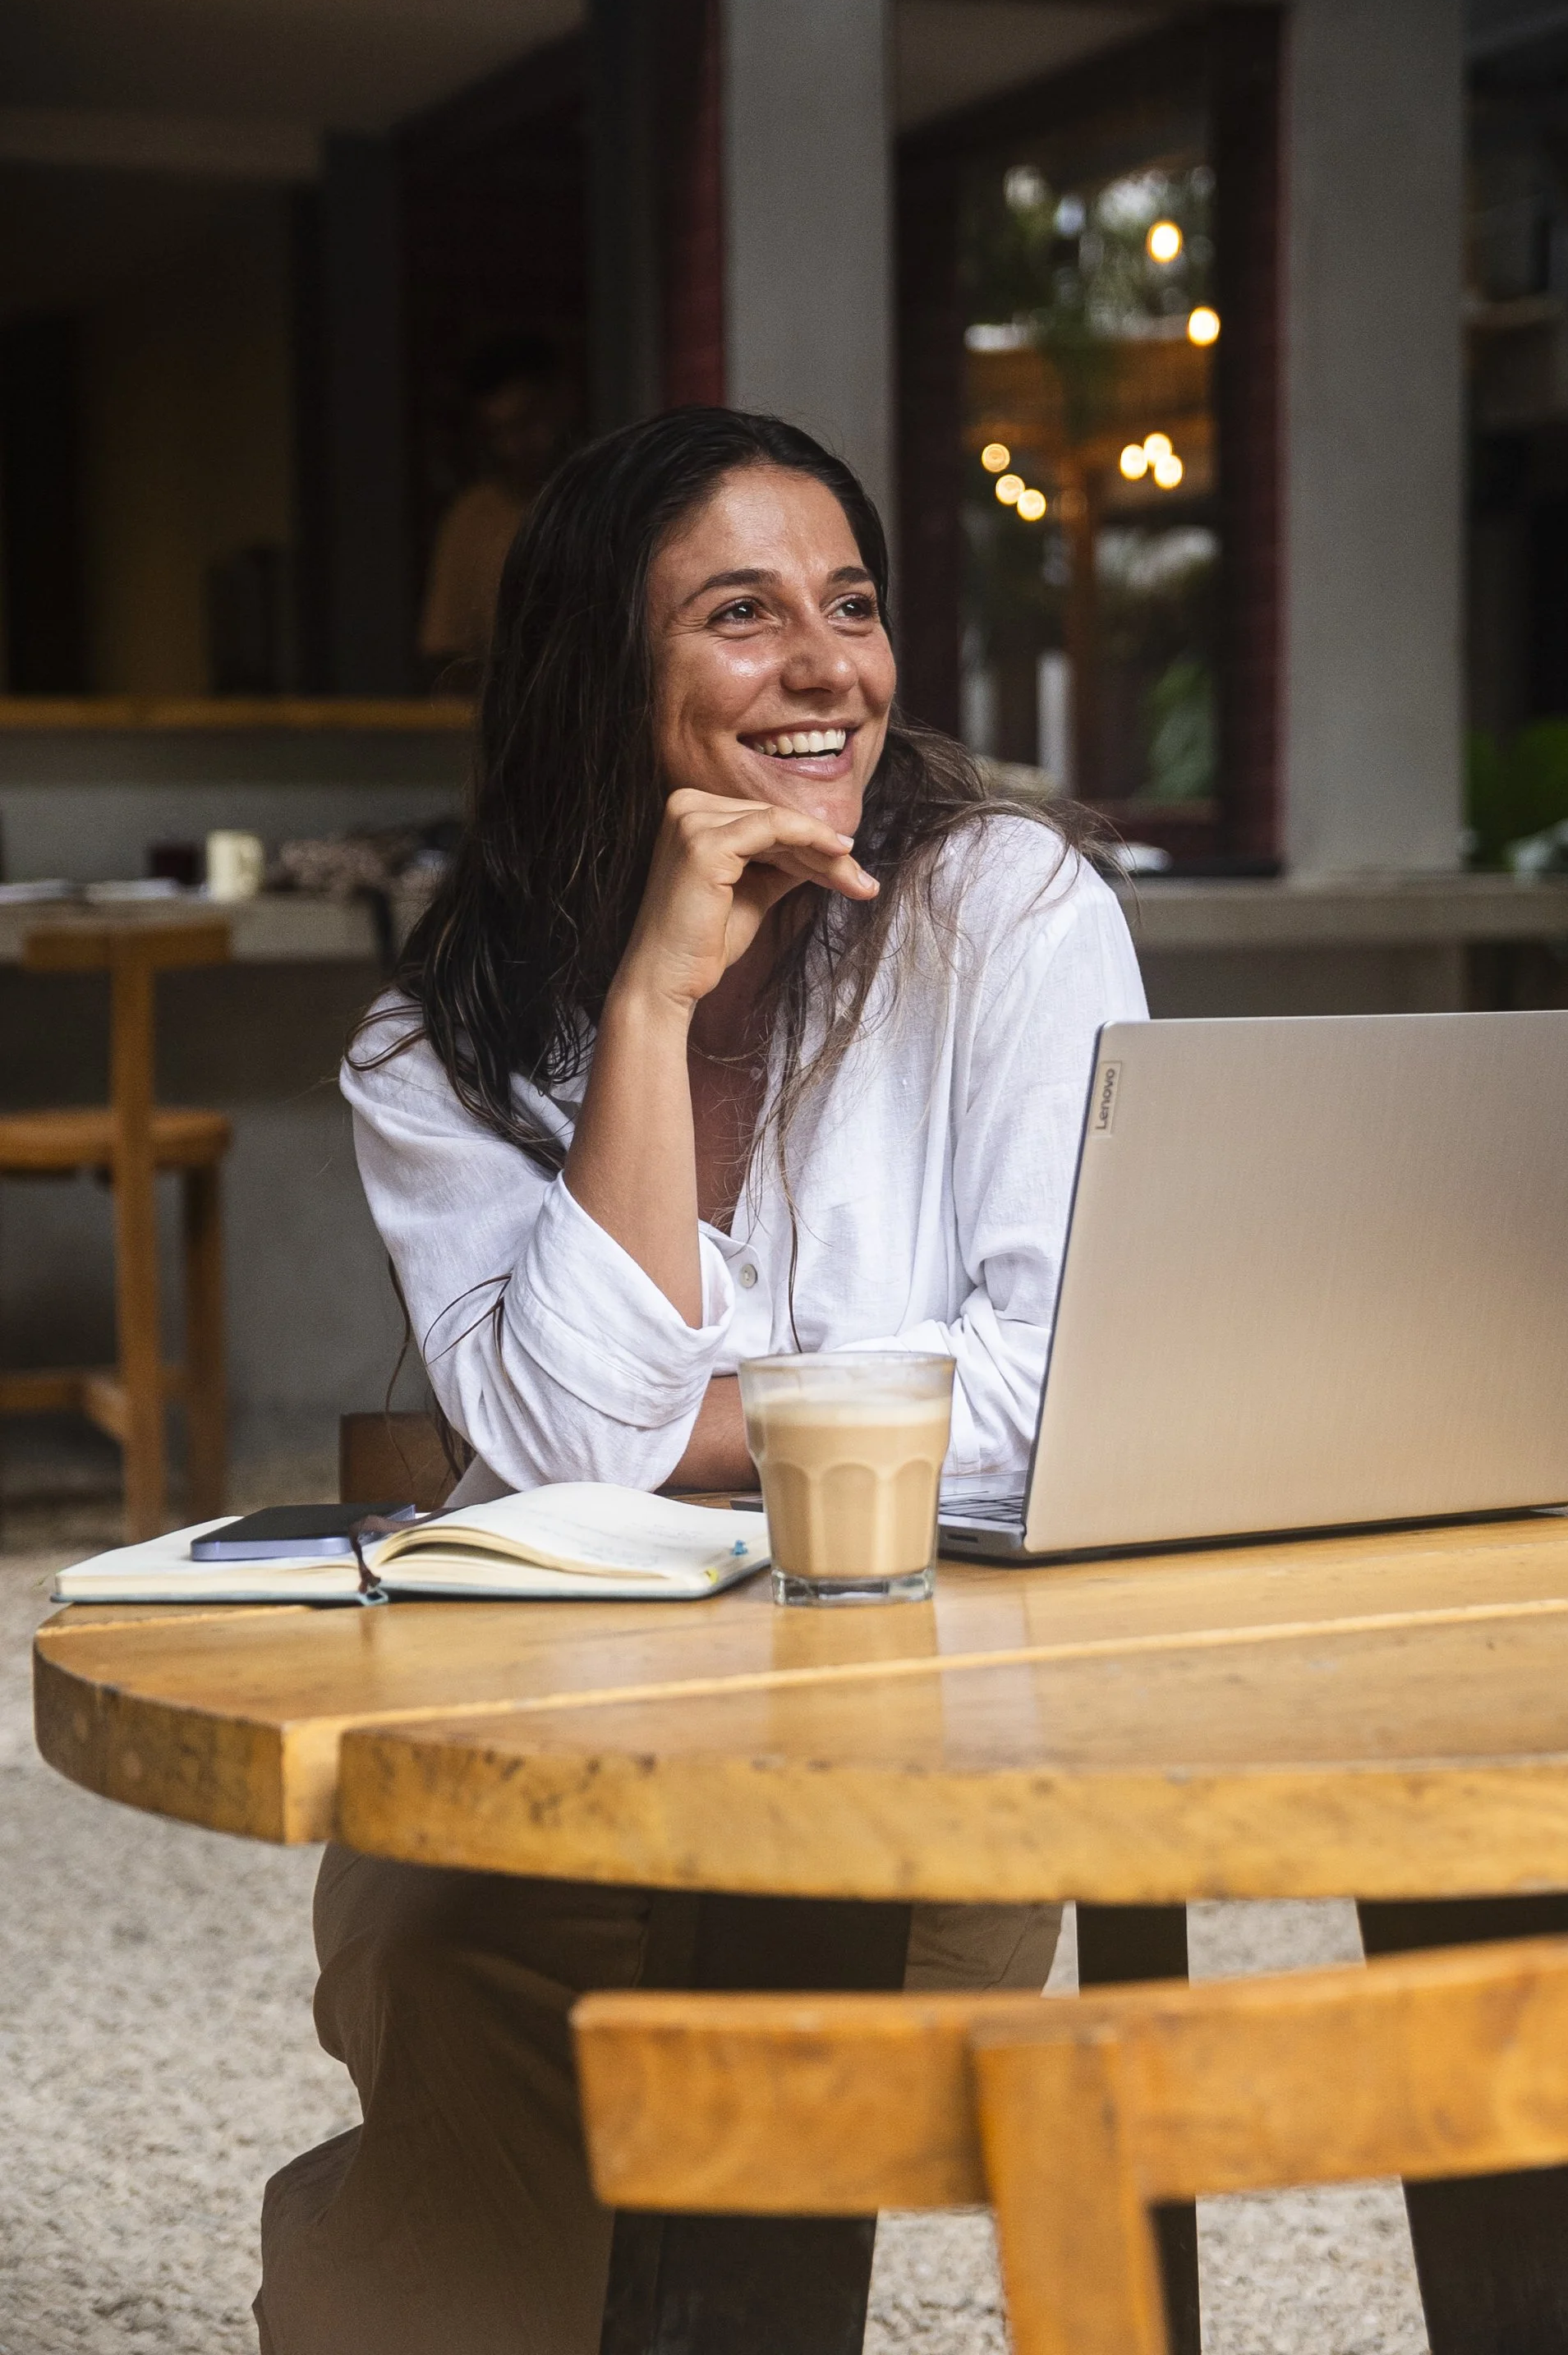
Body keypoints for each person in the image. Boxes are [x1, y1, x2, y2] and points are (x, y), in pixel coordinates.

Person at [255, 407, 1147, 2355]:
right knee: (439, 1974)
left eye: (850, 604)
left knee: (530, 2164)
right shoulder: (441, 1040)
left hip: (911, 1782)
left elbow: (1076, 1389)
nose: (827, 666)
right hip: (543, 1773)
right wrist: (654, 996)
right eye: (742, 615)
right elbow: (583, 1442)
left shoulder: (1005, 913)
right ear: (602, 667)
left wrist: (699, 1427)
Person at [417, 333, 574, 679]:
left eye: (527, 422)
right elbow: (447, 653)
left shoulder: (603, 499)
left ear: (562, 403)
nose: (512, 447)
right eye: (496, 433)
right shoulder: (473, 517)